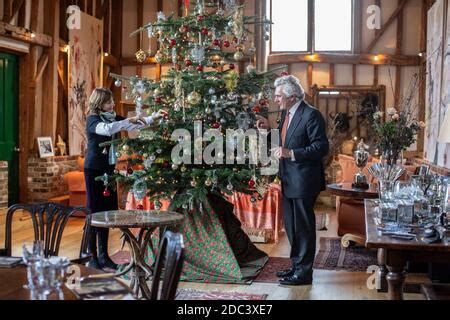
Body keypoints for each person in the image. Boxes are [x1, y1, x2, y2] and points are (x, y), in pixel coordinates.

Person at [257, 75, 329, 285]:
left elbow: (321, 147)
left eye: (279, 96)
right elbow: (282, 143)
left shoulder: (311, 115)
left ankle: (304, 273)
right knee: (291, 227)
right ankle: (296, 266)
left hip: (304, 181)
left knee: (303, 229)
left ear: (292, 97)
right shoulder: (286, 114)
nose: (276, 99)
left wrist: (292, 153)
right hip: (288, 179)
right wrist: (266, 132)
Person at [84, 87, 166, 270]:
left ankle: (104, 256)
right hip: (94, 170)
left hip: (109, 171)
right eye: (108, 102)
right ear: (99, 104)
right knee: (94, 212)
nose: (112, 104)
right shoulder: (93, 120)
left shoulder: (115, 119)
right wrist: (127, 120)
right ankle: (92, 257)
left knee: (106, 212)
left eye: (112, 101)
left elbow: (136, 125)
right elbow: (106, 130)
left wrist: (154, 116)